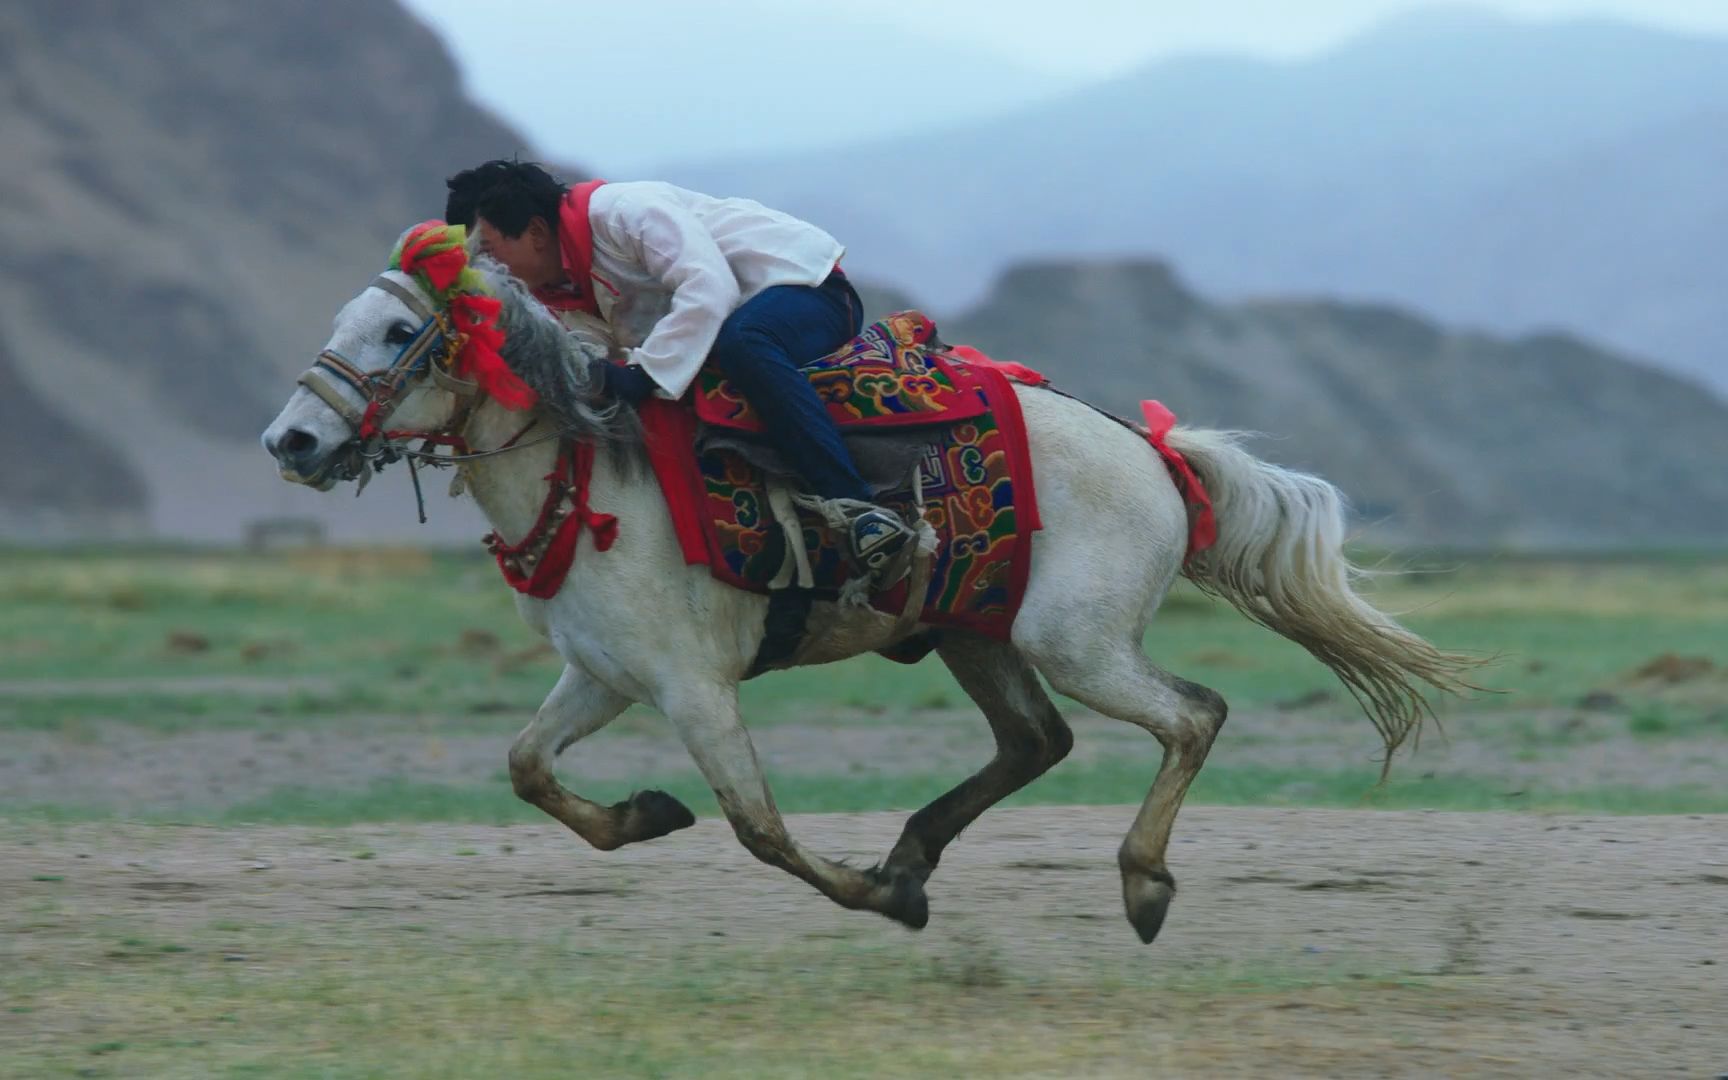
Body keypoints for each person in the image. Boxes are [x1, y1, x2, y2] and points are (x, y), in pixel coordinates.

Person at [443, 160, 914, 586]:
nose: (485, 270)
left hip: (807, 290)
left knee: (744, 344)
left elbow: (708, 286)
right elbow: (592, 356)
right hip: (721, 330)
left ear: (537, 232)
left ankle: (860, 511)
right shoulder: (554, 293)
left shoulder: (626, 211)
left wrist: (643, 374)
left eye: (487, 250)